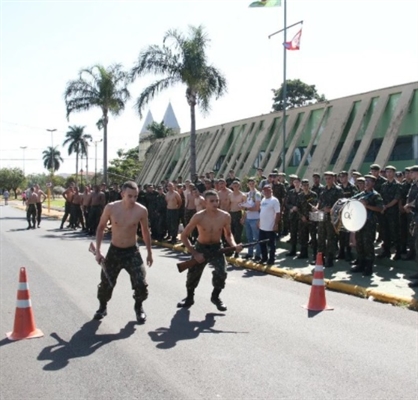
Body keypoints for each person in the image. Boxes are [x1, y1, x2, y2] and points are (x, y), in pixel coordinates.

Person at [93, 181, 153, 323]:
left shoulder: (141, 210)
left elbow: (145, 231)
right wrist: (98, 250)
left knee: (141, 284)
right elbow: (101, 228)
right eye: (130, 196)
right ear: (122, 194)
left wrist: (149, 252)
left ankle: (138, 307)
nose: (133, 199)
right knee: (106, 282)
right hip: (115, 251)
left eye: (135, 196)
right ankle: (102, 307)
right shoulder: (111, 208)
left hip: (132, 252)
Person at [177, 190, 242, 311]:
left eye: (217, 200)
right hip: (201, 247)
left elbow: (228, 235)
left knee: (222, 272)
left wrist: (234, 245)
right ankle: (189, 298)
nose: (215, 203)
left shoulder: (225, 216)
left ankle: (215, 297)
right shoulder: (198, 216)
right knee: (192, 275)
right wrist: (195, 253)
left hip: (217, 248)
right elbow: (184, 236)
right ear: (205, 202)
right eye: (212, 201)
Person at [350, 175, 383, 276]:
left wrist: (367, 206)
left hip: (369, 223)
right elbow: (351, 201)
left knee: (368, 245)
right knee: (360, 243)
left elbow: (380, 209)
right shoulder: (360, 194)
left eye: (369, 181)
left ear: (373, 183)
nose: (367, 183)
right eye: (366, 181)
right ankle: (361, 264)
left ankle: (369, 267)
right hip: (360, 222)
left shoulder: (376, 195)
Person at [258, 184, 281, 265]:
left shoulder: (274, 200)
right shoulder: (263, 200)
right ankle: (264, 258)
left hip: (270, 227)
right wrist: (259, 222)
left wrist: (276, 224)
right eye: (265, 191)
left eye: (268, 190)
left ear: (271, 191)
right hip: (262, 226)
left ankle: (271, 259)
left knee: (271, 245)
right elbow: (261, 212)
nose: (267, 192)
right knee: (262, 243)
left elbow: (278, 213)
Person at [242, 177, 262, 261]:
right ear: (247, 184)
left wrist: (248, 209)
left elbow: (257, 207)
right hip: (248, 218)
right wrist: (243, 217)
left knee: (256, 238)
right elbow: (245, 207)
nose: (251, 185)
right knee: (249, 237)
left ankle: (257, 255)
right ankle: (250, 253)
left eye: (253, 183)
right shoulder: (247, 194)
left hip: (255, 218)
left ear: (255, 184)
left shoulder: (257, 194)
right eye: (250, 183)